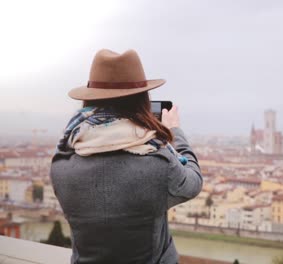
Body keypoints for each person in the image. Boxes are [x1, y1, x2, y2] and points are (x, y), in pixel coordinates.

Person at [50, 49, 203, 264]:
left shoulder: (61, 165)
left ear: (89, 101)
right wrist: (174, 132)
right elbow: (193, 182)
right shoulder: (158, 164)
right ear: (143, 102)